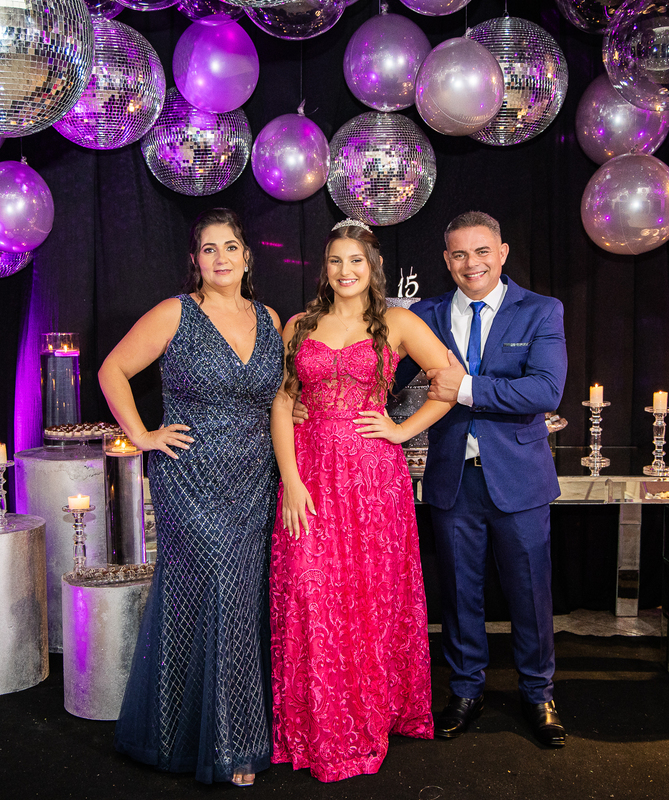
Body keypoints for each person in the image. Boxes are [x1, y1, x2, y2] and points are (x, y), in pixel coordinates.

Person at [101, 208, 283, 787]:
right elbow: (113, 370)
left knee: (240, 600)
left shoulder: (270, 318)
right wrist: (141, 435)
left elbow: (279, 400)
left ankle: (186, 730)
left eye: (231, 247)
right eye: (209, 249)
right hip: (190, 479)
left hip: (255, 482)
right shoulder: (175, 313)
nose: (221, 258)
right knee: (221, 590)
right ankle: (235, 746)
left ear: (247, 256)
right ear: (195, 260)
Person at [269, 220, 455, 782]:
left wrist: (401, 430)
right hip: (309, 475)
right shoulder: (300, 325)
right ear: (324, 268)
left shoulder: (397, 322)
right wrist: (291, 480)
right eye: (335, 260)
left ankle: (370, 714)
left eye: (355, 260)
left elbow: (450, 379)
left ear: (372, 267)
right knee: (309, 591)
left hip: (373, 481)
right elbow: (282, 403)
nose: (344, 270)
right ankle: (314, 726)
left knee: (368, 594)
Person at [397, 211, 568, 747]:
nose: (471, 263)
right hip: (453, 481)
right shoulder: (423, 314)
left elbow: (545, 391)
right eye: (459, 254)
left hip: (520, 480)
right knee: (458, 594)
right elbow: (375, 376)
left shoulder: (540, 310)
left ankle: (538, 694)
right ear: (446, 260)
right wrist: (314, 402)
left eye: (482, 251)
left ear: (503, 253)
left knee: (530, 595)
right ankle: (466, 691)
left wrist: (465, 387)